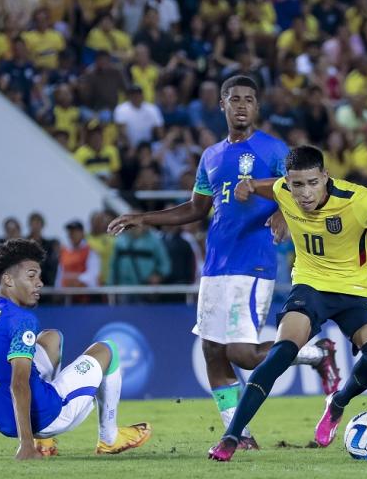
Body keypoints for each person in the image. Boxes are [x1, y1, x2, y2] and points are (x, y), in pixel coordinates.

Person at [107, 76, 340, 451]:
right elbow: (196, 209)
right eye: (235, 99)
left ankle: (317, 354)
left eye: (249, 99)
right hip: (216, 266)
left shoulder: (274, 150)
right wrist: (144, 218)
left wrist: (283, 212)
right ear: (222, 105)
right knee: (213, 351)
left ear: (258, 107)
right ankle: (240, 434)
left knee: (242, 354)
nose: (242, 105)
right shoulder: (211, 157)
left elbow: (306, 190)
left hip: (254, 262)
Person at [209, 145, 367, 462]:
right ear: (288, 182)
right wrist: (248, 187)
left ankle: (338, 403)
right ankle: (231, 436)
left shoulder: (360, 201)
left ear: (326, 177)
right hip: (310, 285)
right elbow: (268, 186)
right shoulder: (282, 189)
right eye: (297, 184)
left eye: (312, 183)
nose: (304, 193)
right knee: (282, 351)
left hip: (357, 288)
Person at [0, 239, 151, 459]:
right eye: (31, 276)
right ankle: (109, 439)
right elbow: (19, 383)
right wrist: (26, 445)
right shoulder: (22, 319)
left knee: (51, 338)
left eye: (39, 276)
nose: (40, 283)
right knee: (107, 349)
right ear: (8, 280)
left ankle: (44, 441)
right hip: (47, 416)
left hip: (2, 422)